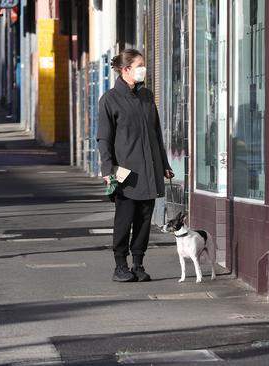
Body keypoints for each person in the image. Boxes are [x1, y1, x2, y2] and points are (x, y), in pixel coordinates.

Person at [97, 49, 174, 282]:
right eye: (139, 65)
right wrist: (107, 170)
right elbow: (104, 138)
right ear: (126, 69)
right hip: (124, 172)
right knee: (124, 219)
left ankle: (138, 264)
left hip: (149, 171)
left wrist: (164, 164)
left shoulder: (147, 97)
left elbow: (156, 134)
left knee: (144, 221)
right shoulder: (109, 99)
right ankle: (120, 265)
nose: (144, 69)